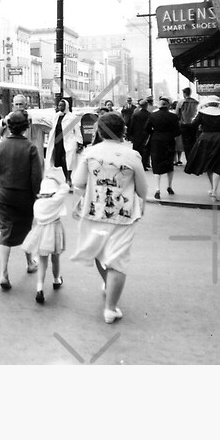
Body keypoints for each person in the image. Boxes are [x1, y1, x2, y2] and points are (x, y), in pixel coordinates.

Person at [71, 112, 147, 324]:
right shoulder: (132, 155)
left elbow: (77, 182)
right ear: (123, 130)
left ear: (100, 131)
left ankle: (107, 283)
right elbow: (142, 189)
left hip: (95, 212)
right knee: (118, 261)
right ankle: (110, 308)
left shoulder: (90, 153)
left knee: (99, 252)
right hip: (123, 215)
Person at [0, 109, 43, 289]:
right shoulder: (31, 147)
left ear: (9, 127)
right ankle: (30, 263)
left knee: (5, 232)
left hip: (4, 194)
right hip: (24, 196)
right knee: (26, 229)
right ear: (26, 128)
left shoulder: (1, 145)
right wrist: (37, 197)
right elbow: (36, 176)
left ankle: (3, 273)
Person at [21, 167, 70, 304]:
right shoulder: (55, 200)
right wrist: (57, 179)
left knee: (42, 261)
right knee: (55, 258)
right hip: (55, 230)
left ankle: (39, 288)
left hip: (42, 231)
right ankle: (56, 279)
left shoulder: (38, 204)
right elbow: (65, 187)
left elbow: (37, 219)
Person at [183, 96, 220, 200]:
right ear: (217, 104)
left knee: (209, 165)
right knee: (218, 165)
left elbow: (193, 125)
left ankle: (212, 188)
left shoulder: (202, 113)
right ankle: (214, 190)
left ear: (208, 103)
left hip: (205, 138)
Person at [0, 93, 53, 162]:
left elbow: (51, 127)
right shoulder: (9, 118)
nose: (19, 107)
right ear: (13, 106)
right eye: (16, 104)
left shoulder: (34, 118)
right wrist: (4, 122)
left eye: (21, 104)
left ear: (26, 105)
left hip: (32, 159)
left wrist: (34, 120)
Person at [146, 96, 180, 199]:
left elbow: (146, 128)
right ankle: (169, 186)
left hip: (156, 141)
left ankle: (157, 189)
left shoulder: (153, 116)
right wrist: (170, 135)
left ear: (159, 105)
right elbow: (178, 131)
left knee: (156, 164)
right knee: (169, 164)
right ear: (168, 105)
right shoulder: (173, 117)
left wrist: (154, 133)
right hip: (169, 141)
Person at [47, 98, 83, 183]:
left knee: (66, 159)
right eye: (59, 105)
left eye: (61, 105)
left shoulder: (72, 117)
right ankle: (66, 177)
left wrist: (79, 142)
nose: (59, 107)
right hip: (58, 141)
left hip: (69, 140)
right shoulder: (56, 116)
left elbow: (77, 130)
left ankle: (68, 178)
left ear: (66, 106)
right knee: (60, 160)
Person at [176, 87, 199, 161]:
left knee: (186, 143)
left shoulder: (181, 102)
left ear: (184, 93)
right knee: (193, 141)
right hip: (194, 124)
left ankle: (189, 159)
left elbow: (177, 114)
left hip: (184, 125)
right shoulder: (196, 102)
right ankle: (193, 158)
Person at [128, 98, 151, 169]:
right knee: (145, 150)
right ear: (146, 106)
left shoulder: (135, 114)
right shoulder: (149, 115)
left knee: (137, 149)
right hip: (146, 134)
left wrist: (130, 134)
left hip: (136, 134)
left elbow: (131, 125)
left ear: (140, 106)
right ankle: (144, 164)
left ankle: (137, 164)